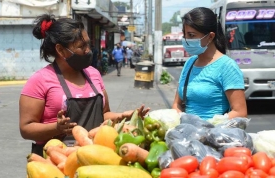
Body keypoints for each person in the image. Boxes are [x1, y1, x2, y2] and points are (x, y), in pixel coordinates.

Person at [19, 14, 149, 156]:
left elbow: (104, 115)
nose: (88, 50)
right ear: (61, 50)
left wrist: (125, 115)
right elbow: (26, 128)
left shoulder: (93, 74)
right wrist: (57, 128)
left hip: (95, 155)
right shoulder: (40, 80)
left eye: (88, 44)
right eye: (82, 46)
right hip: (56, 159)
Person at [172, 7, 247, 120]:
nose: (186, 39)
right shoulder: (189, 63)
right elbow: (177, 104)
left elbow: (240, 112)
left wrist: (208, 127)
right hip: (187, 135)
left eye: (191, 35)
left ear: (210, 37)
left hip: (213, 135)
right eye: (185, 34)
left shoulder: (227, 66)